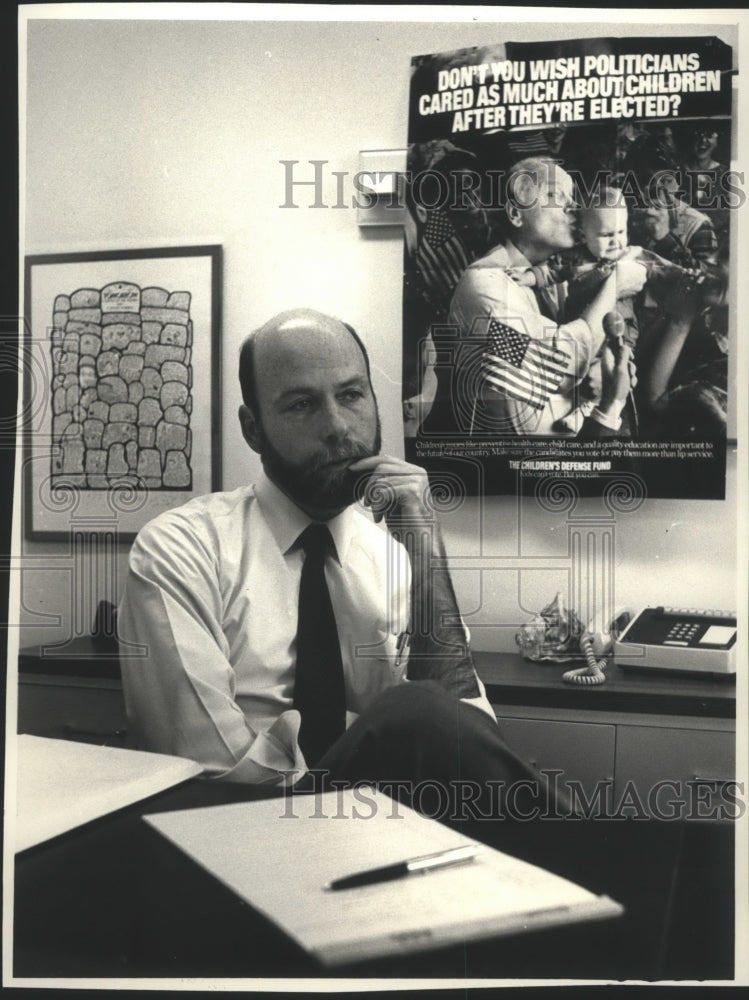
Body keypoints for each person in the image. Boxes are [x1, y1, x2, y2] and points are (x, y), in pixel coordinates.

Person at [118, 308, 567, 819]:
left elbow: (465, 731)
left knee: (425, 712)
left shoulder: (397, 556)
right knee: (413, 711)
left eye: (351, 396)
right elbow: (213, 766)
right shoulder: (182, 548)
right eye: (302, 405)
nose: (336, 427)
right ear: (253, 429)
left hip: (392, 834)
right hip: (244, 826)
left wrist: (425, 544)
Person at [422, 157, 647, 438]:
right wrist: (616, 285)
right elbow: (557, 366)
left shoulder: (559, 278)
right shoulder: (484, 287)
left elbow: (573, 365)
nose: (573, 206)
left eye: (572, 197)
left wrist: (605, 373)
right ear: (516, 214)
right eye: (555, 195)